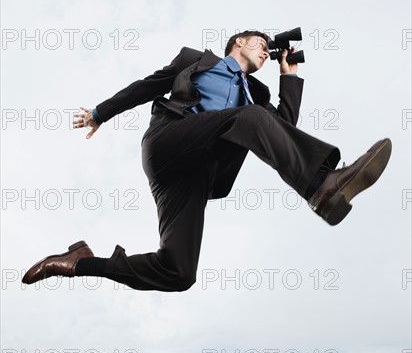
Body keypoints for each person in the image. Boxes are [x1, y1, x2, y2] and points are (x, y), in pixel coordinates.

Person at [22, 31, 392, 291]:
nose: (266, 52)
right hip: (168, 144)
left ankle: (79, 262)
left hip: (198, 174)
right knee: (249, 119)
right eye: (262, 44)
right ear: (239, 43)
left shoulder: (257, 95)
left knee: (178, 272)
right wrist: (101, 112)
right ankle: (323, 186)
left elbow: (283, 132)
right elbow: (147, 85)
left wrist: (288, 77)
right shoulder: (195, 60)